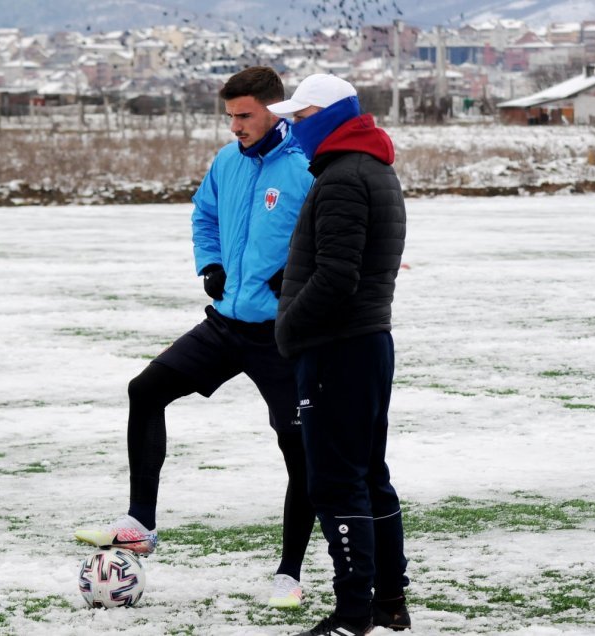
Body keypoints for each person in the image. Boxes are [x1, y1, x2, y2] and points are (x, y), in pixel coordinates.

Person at [75, 66, 316, 608]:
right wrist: (209, 262)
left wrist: (298, 277)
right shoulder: (227, 162)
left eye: (245, 115)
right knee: (146, 390)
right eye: (229, 115)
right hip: (226, 325)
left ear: (275, 110)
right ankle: (140, 523)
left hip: (283, 336)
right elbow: (203, 216)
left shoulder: (306, 165)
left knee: (298, 449)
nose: (235, 126)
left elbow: (338, 234)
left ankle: (289, 574)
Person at [266, 74, 410, 635]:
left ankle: (354, 614)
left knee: (335, 482)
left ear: (329, 116)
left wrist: (289, 328)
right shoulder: (366, 167)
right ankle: (388, 603)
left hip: (337, 348)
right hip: (366, 343)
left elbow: (337, 277)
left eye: (300, 118)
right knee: (369, 474)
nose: (292, 127)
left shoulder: (345, 176)